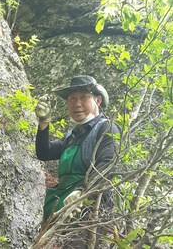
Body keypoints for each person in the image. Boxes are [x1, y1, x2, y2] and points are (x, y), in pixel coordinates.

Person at [35, 75, 119, 248]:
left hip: (90, 207)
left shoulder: (106, 128)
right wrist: (44, 123)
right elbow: (44, 152)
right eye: (72, 98)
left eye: (83, 97)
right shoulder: (72, 135)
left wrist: (82, 191)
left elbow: (107, 165)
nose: (76, 103)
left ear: (98, 100)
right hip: (63, 203)